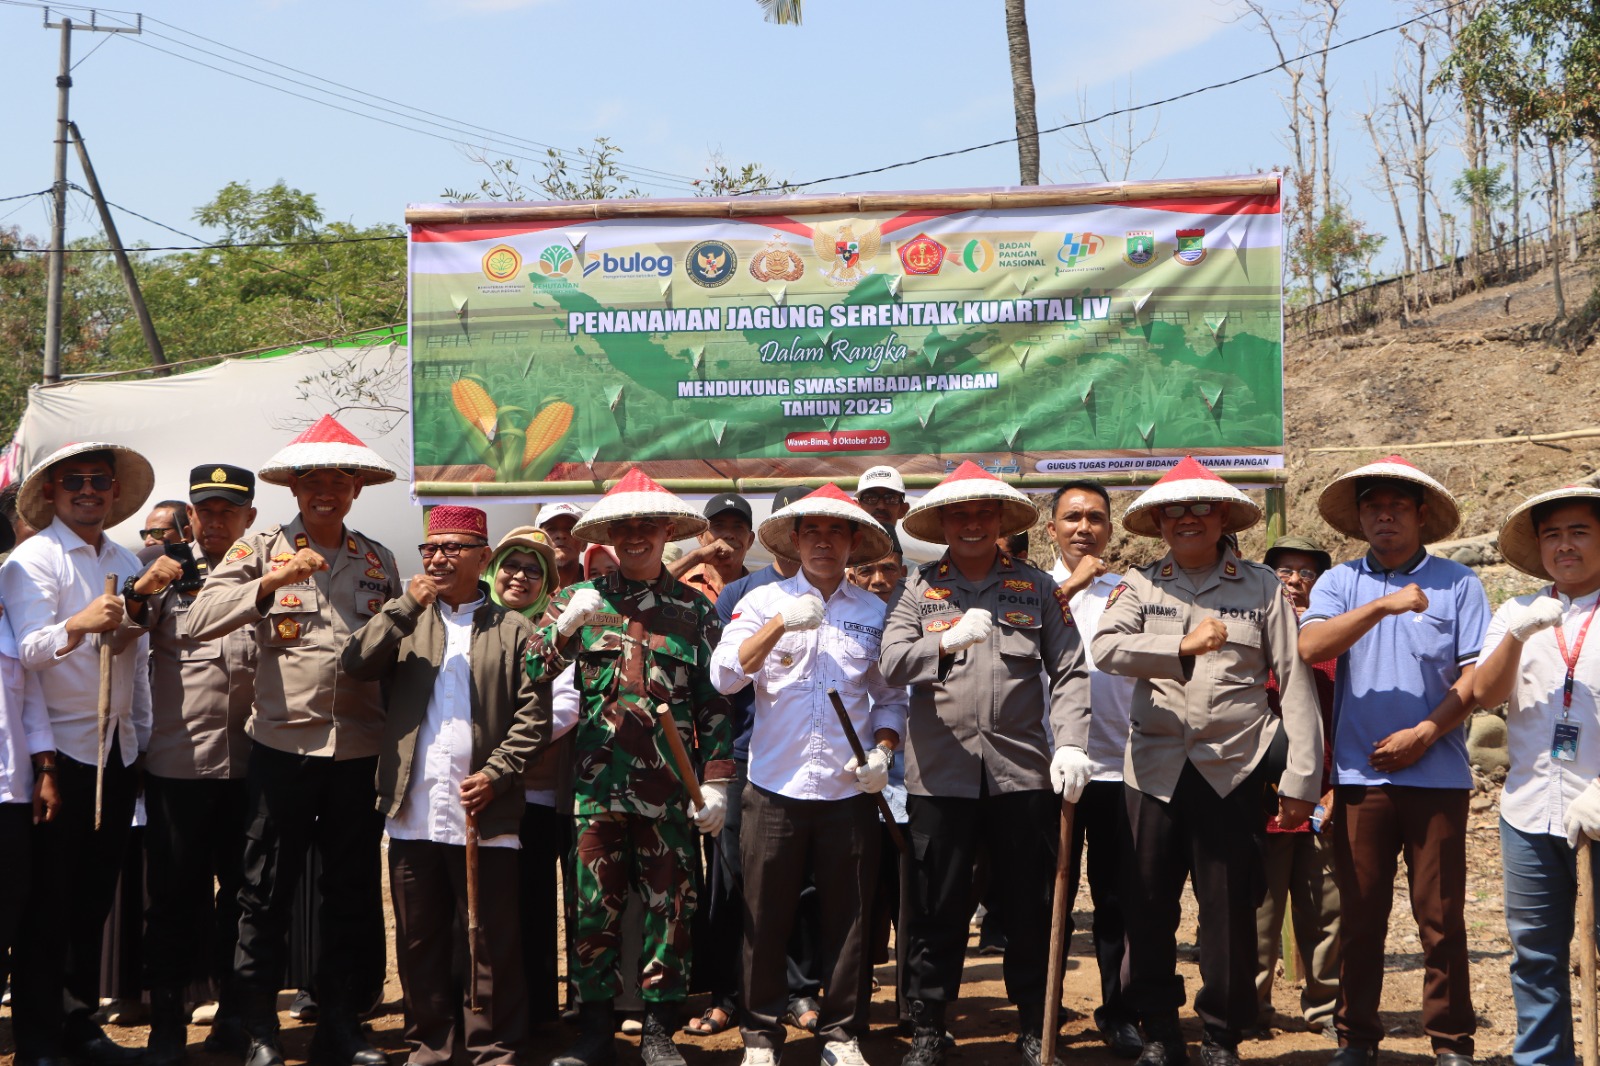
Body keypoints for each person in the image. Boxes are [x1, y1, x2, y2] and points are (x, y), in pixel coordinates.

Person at [1093, 457, 1323, 1066]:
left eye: (1201, 508)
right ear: (1159, 523)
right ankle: (1160, 1031)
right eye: (1174, 510)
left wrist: (1302, 778)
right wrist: (1180, 645)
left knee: (1229, 913)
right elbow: (1106, 648)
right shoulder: (1141, 584)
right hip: (1154, 770)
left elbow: (1294, 682)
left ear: (1222, 517)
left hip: (1233, 768)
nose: (1187, 518)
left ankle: (1221, 1035)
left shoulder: (1263, 587)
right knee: (1147, 908)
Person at [187, 415, 401, 1066]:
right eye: (313, 481)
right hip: (283, 750)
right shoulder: (259, 548)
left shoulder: (378, 560)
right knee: (263, 893)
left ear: (357, 489)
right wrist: (272, 582)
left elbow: (398, 648)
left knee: (351, 893)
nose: (326, 492)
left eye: (339, 481)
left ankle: (339, 1024)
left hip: (358, 752)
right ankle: (257, 1030)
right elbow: (198, 620)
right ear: (294, 489)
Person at [880, 460, 1091, 1066]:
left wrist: (1071, 742)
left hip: (1021, 773)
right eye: (959, 514)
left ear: (1000, 520)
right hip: (938, 776)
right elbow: (890, 663)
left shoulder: (1037, 588)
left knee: (1029, 905)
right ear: (943, 523)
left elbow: (1070, 670)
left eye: (983, 513)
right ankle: (928, 1025)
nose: (971, 524)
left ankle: (1034, 1022)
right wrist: (943, 642)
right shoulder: (917, 589)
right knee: (935, 905)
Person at [524, 468, 736, 1066]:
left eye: (647, 526)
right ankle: (595, 1029)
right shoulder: (580, 599)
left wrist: (716, 783)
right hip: (596, 787)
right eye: (623, 527)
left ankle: (658, 1031)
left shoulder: (695, 610)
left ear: (668, 532)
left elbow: (715, 701)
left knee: (672, 910)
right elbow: (531, 670)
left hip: (670, 791)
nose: (636, 536)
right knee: (593, 909)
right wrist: (565, 627)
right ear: (609, 536)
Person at [1298, 455, 1488, 1066]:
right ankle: (1356, 1037)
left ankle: (1452, 1042)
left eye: (1398, 506)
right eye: (1373, 507)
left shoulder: (1459, 583)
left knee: (1442, 917)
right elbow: (1310, 645)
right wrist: (1382, 606)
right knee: (1360, 915)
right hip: (1359, 777)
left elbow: (1476, 678)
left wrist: (1426, 733)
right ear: (1359, 519)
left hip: (1438, 774)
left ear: (1421, 515)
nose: (1385, 516)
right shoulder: (1339, 583)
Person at [342, 505, 546, 1066]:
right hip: (413, 807)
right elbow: (355, 663)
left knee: (489, 937)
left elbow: (533, 718)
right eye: (431, 548)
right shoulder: (407, 617)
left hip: (485, 809)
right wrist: (405, 606)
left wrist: (497, 773)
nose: (438, 558)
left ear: (484, 557)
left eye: (454, 548)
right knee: (419, 937)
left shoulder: (515, 629)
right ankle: (430, 1046)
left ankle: (494, 1049)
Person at [712, 484, 904, 1066]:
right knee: (765, 915)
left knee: (849, 917)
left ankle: (841, 1034)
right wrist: (779, 625)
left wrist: (883, 753)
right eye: (812, 532)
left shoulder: (873, 612)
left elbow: (890, 697)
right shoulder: (762, 601)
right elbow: (725, 676)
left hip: (849, 791)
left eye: (836, 532)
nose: (824, 542)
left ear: (852, 541)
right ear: (794, 541)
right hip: (774, 787)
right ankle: (760, 1036)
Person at [0, 441, 156, 1066]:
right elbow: (27, 652)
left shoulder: (125, 559)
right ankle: (39, 1038)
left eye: (98, 479)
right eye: (73, 481)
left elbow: (135, 662)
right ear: (51, 493)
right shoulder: (31, 561)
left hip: (114, 750)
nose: (87, 490)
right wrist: (78, 623)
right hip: (57, 756)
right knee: (48, 904)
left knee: (93, 899)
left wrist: (137, 740)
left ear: (114, 491)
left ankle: (79, 1023)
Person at [118, 464, 261, 1064]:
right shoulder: (165, 573)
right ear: (192, 516)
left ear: (250, 517)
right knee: (173, 901)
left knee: (244, 901)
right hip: (179, 766)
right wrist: (138, 592)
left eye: (229, 511)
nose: (216, 521)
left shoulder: (268, 573)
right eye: (206, 511)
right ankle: (166, 1029)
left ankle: (235, 1021)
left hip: (251, 765)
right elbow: (121, 632)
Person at [1473, 485, 1600, 1066]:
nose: (1564, 545)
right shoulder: (1515, 612)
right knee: (1535, 955)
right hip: (1528, 811)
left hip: (1596, 809)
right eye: (1553, 535)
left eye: (1579, 532)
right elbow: (1484, 694)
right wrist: (1519, 636)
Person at [688, 485, 816, 1041]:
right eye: (788, 525)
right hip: (744, 754)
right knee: (734, 878)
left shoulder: (837, 592)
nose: (797, 536)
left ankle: (800, 989)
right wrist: (717, 766)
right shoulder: (742, 592)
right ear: (776, 532)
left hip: (811, 760)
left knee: (803, 879)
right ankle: (728, 994)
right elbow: (717, 685)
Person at [1043, 480, 1142, 1059]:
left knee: (1117, 900)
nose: (1084, 527)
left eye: (1095, 517)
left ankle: (1119, 1011)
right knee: (1043, 898)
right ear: (1051, 528)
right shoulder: (1031, 589)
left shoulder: (1129, 591)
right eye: (1072, 517)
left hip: (1116, 767)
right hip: (1046, 766)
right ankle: (1041, 1010)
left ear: (1109, 528)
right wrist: (1072, 585)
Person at [1251, 535, 1341, 1039]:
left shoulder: (1336, 644)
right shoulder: (1251, 638)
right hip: (1261, 801)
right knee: (1257, 915)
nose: (1294, 581)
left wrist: (1339, 788)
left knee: (1327, 913)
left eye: (1307, 573)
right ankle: (1251, 1008)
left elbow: (1354, 719)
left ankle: (1326, 1009)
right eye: (1283, 571)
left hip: (1324, 800)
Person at [488, 525, 576, 1027]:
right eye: (512, 565)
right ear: (493, 570)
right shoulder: (470, 620)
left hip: (535, 794)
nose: (520, 577)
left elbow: (565, 705)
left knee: (533, 901)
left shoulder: (558, 629)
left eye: (533, 569)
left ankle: (538, 1014)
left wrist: (502, 742)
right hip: (478, 793)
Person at [670, 492, 755, 604]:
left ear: (750, 540)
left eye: (738, 527)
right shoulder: (680, 582)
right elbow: (649, 585)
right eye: (719, 526)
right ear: (701, 536)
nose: (729, 534)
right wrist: (696, 557)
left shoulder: (761, 590)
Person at [853, 466, 911, 541]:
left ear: (903, 510)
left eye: (890, 499)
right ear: (857, 507)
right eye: (870, 498)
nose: (881, 506)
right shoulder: (842, 547)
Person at [539, 501, 587, 590]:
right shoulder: (527, 587)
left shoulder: (599, 587)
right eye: (551, 529)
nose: (561, 535)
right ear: (537, 541)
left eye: (570, 529)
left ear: (584, 543)